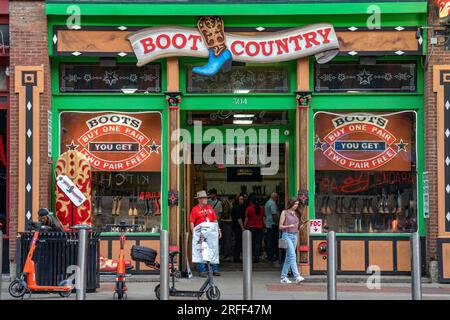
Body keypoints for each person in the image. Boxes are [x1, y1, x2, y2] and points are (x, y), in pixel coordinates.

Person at [189, 190, 222, 277]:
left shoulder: (210, 208)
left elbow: (215, 220)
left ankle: (214, 270)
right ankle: (202, 270)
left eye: (206, 198)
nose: (206, 199)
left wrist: (218, 230)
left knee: (213, 250)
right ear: (199, 199)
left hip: (211, 233)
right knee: (201, 251)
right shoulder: (195, 209)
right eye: (204, 198)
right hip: (201, 234)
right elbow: (192, 222)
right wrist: (194, 233)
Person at [279, 198, 305, 284]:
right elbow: (280, 227)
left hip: (294, 235)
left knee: (288, 257)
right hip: (287, 235)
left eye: (297, 204)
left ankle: (283, 277)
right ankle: (297, 276)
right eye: (295, 204)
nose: (296, 206)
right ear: (291, 203)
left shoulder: (297, 213)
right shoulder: (284, 212)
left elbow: (297, 227)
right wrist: (288, 226)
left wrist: (301, 226)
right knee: (293, 256)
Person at [244, 197, 265, 263]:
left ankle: (250, 257)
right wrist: (264, 225)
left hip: (251, 227)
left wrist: (244, 226)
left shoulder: (249, 208)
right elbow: (263, 218)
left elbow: (246, 218)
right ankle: (257, 258)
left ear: (251, 202)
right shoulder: (261, 209)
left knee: (250, 243)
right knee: (257, 244)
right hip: (259, 227)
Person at [265, 193, 280, 262]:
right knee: (273, 241)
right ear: (275, 197)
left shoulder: (268, 202)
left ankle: (269, 255)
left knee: (269, 240)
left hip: (268, 224)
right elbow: (274, 214)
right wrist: (277, 223)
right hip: (273, 224)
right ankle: (271, 256)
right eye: (277, 197)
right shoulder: (272, 203)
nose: (277, 199)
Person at [231, 194, 246, 262]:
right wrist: (242, 227)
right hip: (237, 227)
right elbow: (239, 218)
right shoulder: (237, 207)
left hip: (236, 226)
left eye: (242, 199)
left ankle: (237, 257)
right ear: (237, 200)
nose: (242, 200)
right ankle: (236, 257)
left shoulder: (240, 207)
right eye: (241, 199)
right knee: (238, 242)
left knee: (238, 242)